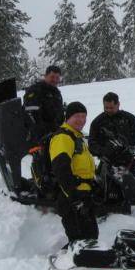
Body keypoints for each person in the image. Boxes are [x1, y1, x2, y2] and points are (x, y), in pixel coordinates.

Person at [49, 101, 98, 243]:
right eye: (77, 116)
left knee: (89, 237)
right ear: (68, 117)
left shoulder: (78, 137)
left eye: (84, 116)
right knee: (81, 239)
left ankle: (86, 262)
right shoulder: (63, 137)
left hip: (83, 194)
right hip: (72, 197)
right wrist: (74, 196)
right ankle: (75, 262)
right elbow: (60, 168)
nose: (81, 120)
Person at [88, 92, 135, 175]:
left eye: (111, 108)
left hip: (128, 163)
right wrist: (103, 151)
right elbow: (91, 145)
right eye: (106, 108)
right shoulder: (97, 122)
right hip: (107, 164)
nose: (108, 110)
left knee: (132, 187)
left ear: (118, 104)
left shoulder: (129, 119)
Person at [23, 65, 64, 143]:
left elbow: (59, 112)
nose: (55, 80)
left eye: (57, 78)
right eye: (52, 77)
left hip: (56, 133)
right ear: (45, 76)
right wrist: (44, 134)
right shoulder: (35, 91)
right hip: (40, 137)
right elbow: (31, 115)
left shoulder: (56, 92)